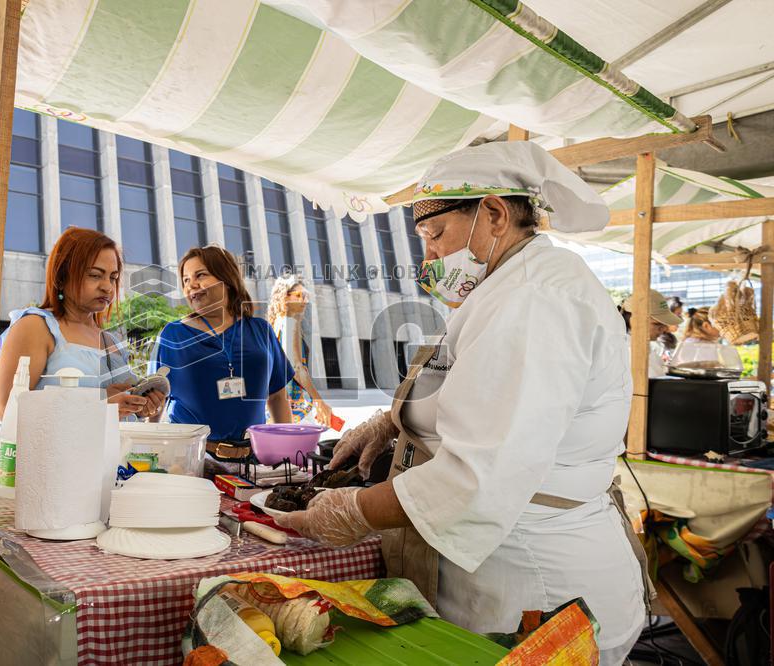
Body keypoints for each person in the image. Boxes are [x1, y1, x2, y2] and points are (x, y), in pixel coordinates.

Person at [275, 142, 651, 665]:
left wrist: (353, 510)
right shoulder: (506, 286)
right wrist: (392, 421)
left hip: (538, 593)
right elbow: (473, 391)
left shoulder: (536, 297)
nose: (428, 258)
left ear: (494, 214)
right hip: (500, 576)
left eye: (434, 236)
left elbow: (479, 473)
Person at [0, 227, 165, 420]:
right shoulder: (36, 327)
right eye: (94, 275)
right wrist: (99, 405)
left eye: (113, 277)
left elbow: (118, 414)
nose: (107, 286)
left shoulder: (111, 340)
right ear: (61, 277)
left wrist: (140, 407)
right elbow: (7, 411)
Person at [151, 246, 294, 451]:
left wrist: (286, 451)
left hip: (253, 458)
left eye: (200, 275)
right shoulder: (172, 335)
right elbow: (155, 403)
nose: (192, 285)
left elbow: (278, 397)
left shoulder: (261, 330)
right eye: (185, 280)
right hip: (191, 459)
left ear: (226, 279)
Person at [266, 274, 334, 426]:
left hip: (278, 405)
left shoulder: (276, 324)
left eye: (305, 296)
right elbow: (296, 368)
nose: (304, 300)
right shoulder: (290, 322)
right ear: (285, 297)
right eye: (298, 295)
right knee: (304, 449)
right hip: (296, 407)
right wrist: (319, 401)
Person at [621, 290, 681, 378]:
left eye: (665, 324)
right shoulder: (632, 353)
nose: (664, 328)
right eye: (657, 324)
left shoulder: (643, 347)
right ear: (635, 321)